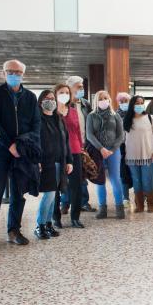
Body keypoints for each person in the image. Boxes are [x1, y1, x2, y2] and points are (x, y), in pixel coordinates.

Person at [0, 59, 41, 249]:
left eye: (17, 72)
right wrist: (9, 144)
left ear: (23, 74)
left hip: (22, 151)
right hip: (0, 150)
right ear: (3, 73)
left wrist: (21, 144)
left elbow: (36, 124)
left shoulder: (31, 97)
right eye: (10, 71)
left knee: (18, 193)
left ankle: (14, 230)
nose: (14, 75)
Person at [35, 90, 72, 238]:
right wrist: (36, 160)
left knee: (54, 194)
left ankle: (48, 224)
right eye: (46, 98)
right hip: (45, 162)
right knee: (49, 194)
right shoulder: (37, 119)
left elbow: (66, 141)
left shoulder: (59, 119)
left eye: (52, 98)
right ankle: (40, 225)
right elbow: (34, 141)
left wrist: (69, 160)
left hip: (60, 161)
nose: (50, 101)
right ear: (40, 101)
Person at [87, 90, 125, 219]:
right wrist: (101, 148)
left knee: (116, 179)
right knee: (100, 181)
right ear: (96, 101)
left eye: (106, 98)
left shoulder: (116, 116)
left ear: (109, 99)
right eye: (101, 98)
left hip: (114, 152)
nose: (104, 100)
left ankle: (119, 207)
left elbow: (121, 135)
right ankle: (102, 208)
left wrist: (112, 149)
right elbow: (89, 135)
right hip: (98, 152)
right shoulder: (91, 116)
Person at [61, 76, 95, 214]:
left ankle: (83, 202)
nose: (81, 88)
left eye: (82, 86)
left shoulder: (86, 104)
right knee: (66, 176)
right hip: (66, 146)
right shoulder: (64, 104)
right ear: (69, 87)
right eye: (78, 86)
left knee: (82, 176)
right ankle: (65, 203)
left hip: (83, 144)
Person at [54, 84, 86, 227]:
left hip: (74, 151)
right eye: (61, 92)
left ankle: (75, 217)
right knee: (55, 186)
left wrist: (81, 147)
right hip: (57, 152)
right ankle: (56, 217)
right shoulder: (51, 110)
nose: (65, 94)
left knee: (76, 185)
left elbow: (77, 130)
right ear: (55, 94)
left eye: (67, 92)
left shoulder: (73, 111)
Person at [123, 95, 153, 212]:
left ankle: (151, 204)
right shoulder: (127, 120)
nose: (139, 105)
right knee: (136, 181)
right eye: (137, 103)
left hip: (148, 155)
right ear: (132, 105)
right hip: (131, 156)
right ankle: (139, 205)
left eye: (141, 103)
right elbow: (123, 138)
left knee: (147, 180)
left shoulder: (150, 118)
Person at [116, 92, 132, 208]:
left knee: (135, 171)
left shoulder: (135, 114)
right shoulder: (115, 115)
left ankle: (140, 196)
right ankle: (125, 197)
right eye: (121, 101)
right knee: (123, 173)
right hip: (121, 147)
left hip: (134, 146)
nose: (124, 103)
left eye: (126, 101)